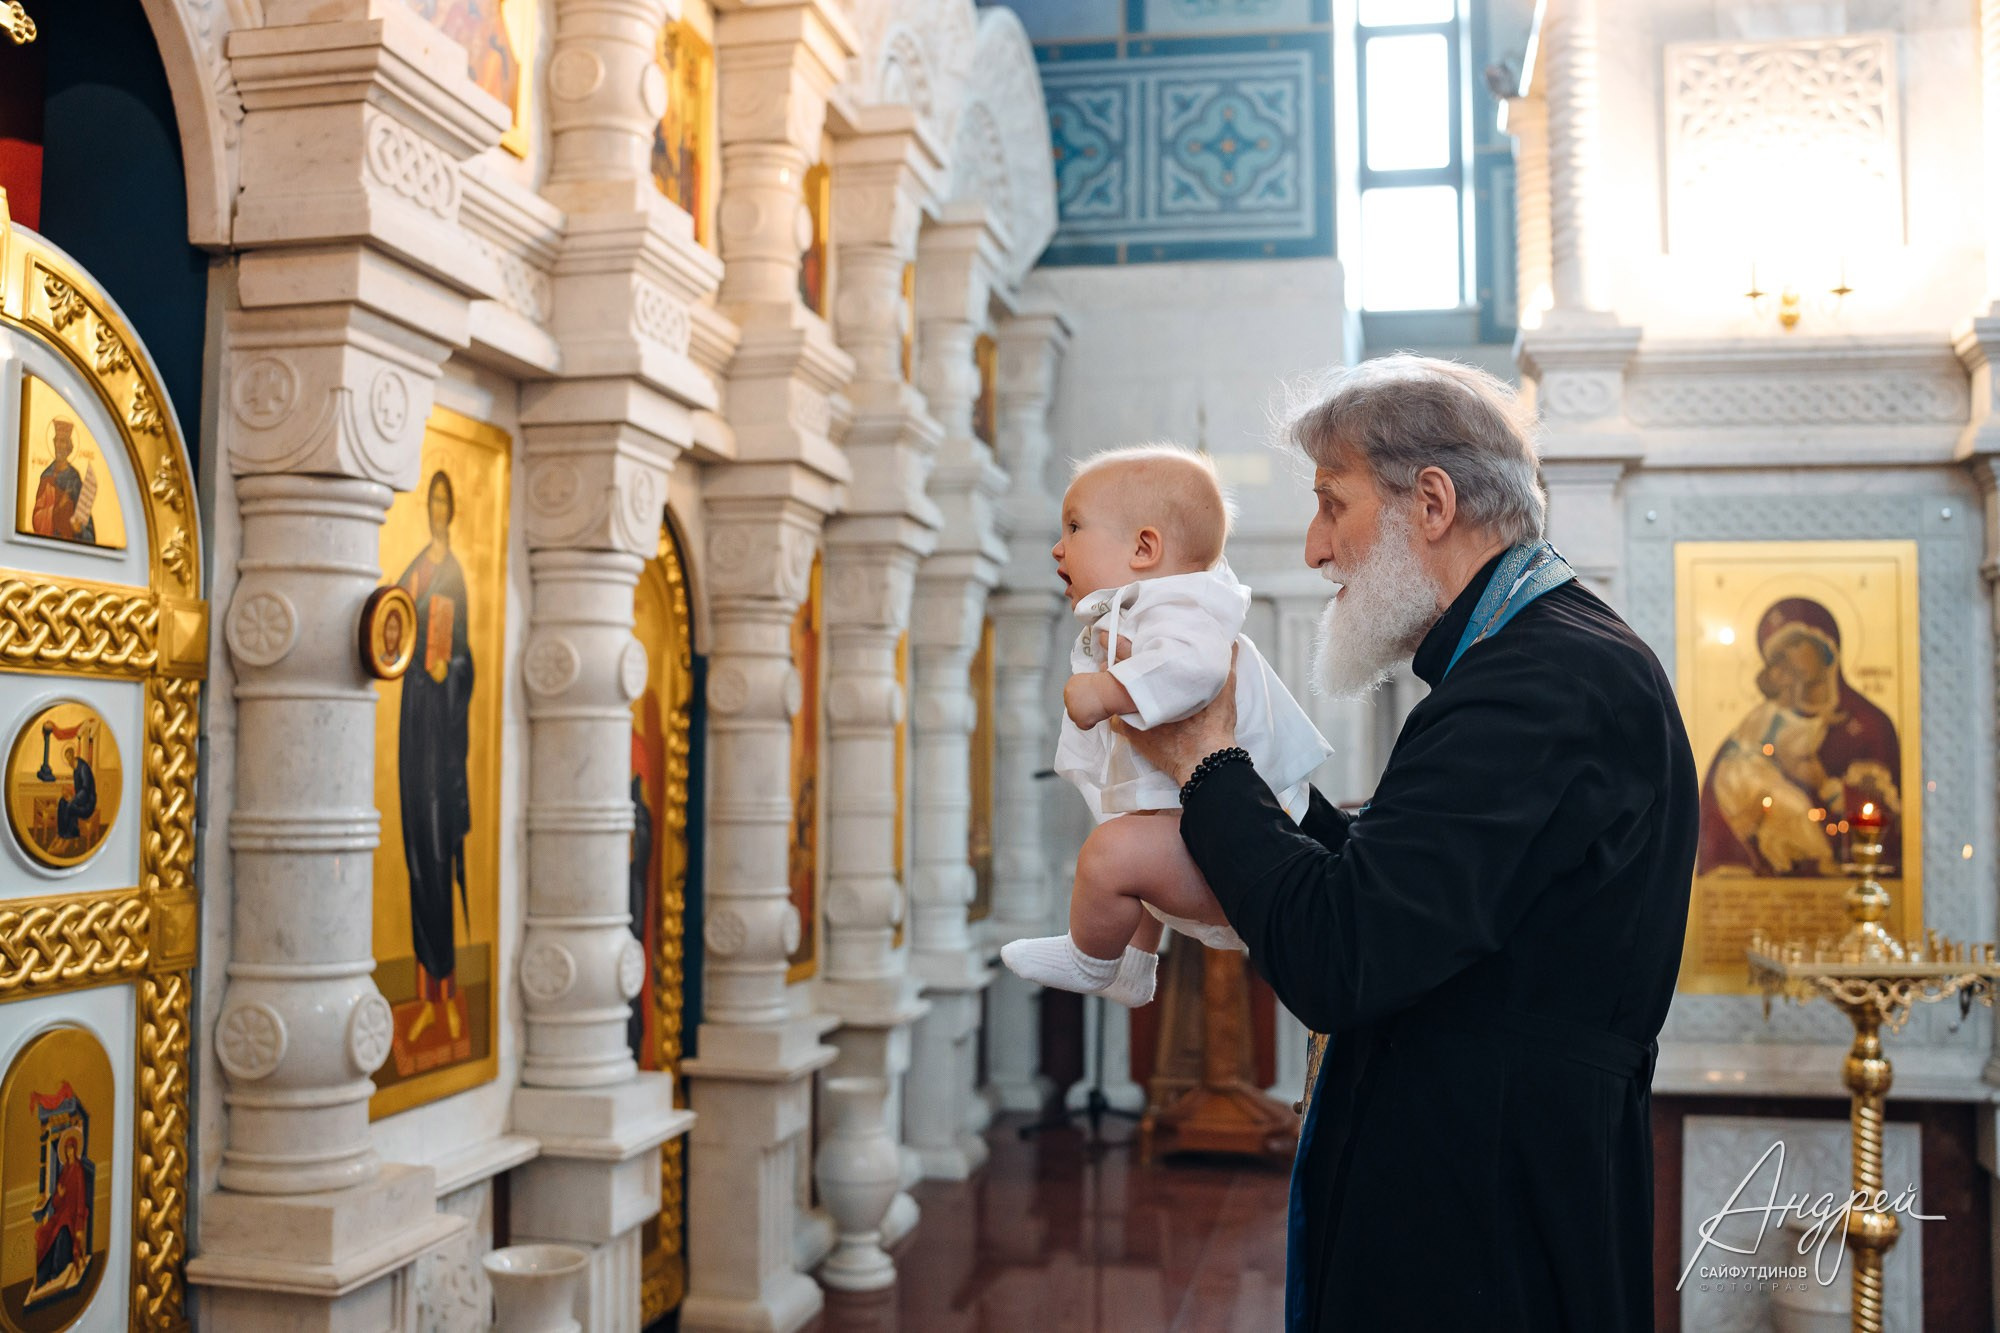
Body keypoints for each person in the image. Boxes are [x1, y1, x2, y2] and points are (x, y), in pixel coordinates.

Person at [1117, 356, 1697, 1332]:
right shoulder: (1532, 660)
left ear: (1428, 502)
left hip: (1485, 1234)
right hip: (1479, 1189)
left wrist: (1204, 764)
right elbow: (1404, 890)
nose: (1312, 546)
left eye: (1329, 504)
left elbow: (1345, 951)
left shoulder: (1539, 683)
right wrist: (1255, 780)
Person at [1000, 444, 1331, 1007]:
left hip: (1251, 829)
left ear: (1144, 547)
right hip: (1210, 816)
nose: (1057, 547)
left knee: (1110, 854)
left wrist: (1104, 692)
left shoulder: (1182, 608)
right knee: (1132, 837)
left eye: (1074, 527)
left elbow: (1195, 671)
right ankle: (1130, 965)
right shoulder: (1155, 606)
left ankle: (1091, 962)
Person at [395, 471, 474, 1045]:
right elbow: (390, 621)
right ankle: (426, 989)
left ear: (455, 507)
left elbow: (464, 654)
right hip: (413, 715)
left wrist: (451, 671)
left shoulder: (455, 576)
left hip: (441, 734)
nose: (438, 508)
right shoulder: (419, 565)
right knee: (415, 851)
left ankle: (443, 988)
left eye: (446, 500)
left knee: (438, 849)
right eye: (432, 499)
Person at [30, 419, 95, 545]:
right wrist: (59, 506)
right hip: (48, 543)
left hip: (70, 544)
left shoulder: (74, 478)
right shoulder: (46, 477)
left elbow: (84, 516)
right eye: (57, 441)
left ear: (69, 446)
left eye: (63, 441)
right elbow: (37, 517)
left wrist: (80, 529)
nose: (59, 445)